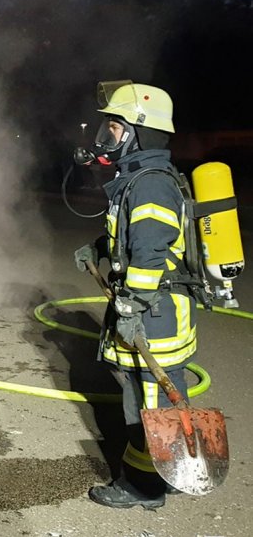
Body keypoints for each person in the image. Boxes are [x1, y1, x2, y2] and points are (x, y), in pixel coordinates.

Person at [74, 80, 197, 509]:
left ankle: (144, 488)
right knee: (154, 395)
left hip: (155, 313)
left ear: (133, 132)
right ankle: (174, 467)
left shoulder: (149, 184)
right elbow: (131, 241)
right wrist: (99, 249)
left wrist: (132, 304)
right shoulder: (140, 179)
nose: (104, 134)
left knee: (150, 402)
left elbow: (149, 255)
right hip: (154, 309)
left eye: (111, 125)